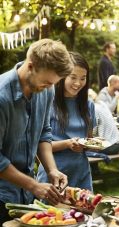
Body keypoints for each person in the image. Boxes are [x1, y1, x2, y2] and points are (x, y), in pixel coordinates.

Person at [0, 38, 72, 227]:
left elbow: (43, 132)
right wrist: (32, 184)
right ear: (30, 66)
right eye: (47, 82)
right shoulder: (2, 97)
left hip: (24, 194)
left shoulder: (46, 90)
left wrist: (52, 169)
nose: (49, 87)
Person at [37, 52, 96, 192]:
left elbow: (89, 139)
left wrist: (88, 145)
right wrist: (67, 144)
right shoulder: (48, 102)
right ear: (62, 76)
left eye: (83, 78)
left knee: (85, 213)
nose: (78, 83)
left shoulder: (89, 105)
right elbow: (37, 146)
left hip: (81, 172)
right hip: (53, 174)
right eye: (73, 77)